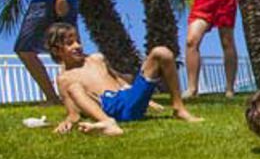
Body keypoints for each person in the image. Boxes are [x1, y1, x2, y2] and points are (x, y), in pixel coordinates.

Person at [45, 23, 199, 136]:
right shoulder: (64, 78)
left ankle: (179, 109)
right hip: (108, 108)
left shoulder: (97, 59)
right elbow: (74, 113)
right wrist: (69, 121)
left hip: (128, 98)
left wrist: (147, 100)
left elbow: (118, 80)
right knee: (74, 88)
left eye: (78, 41)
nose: (77, 46)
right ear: (56, 50)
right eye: (70, 43)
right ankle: (107, 123)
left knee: (162, 52)